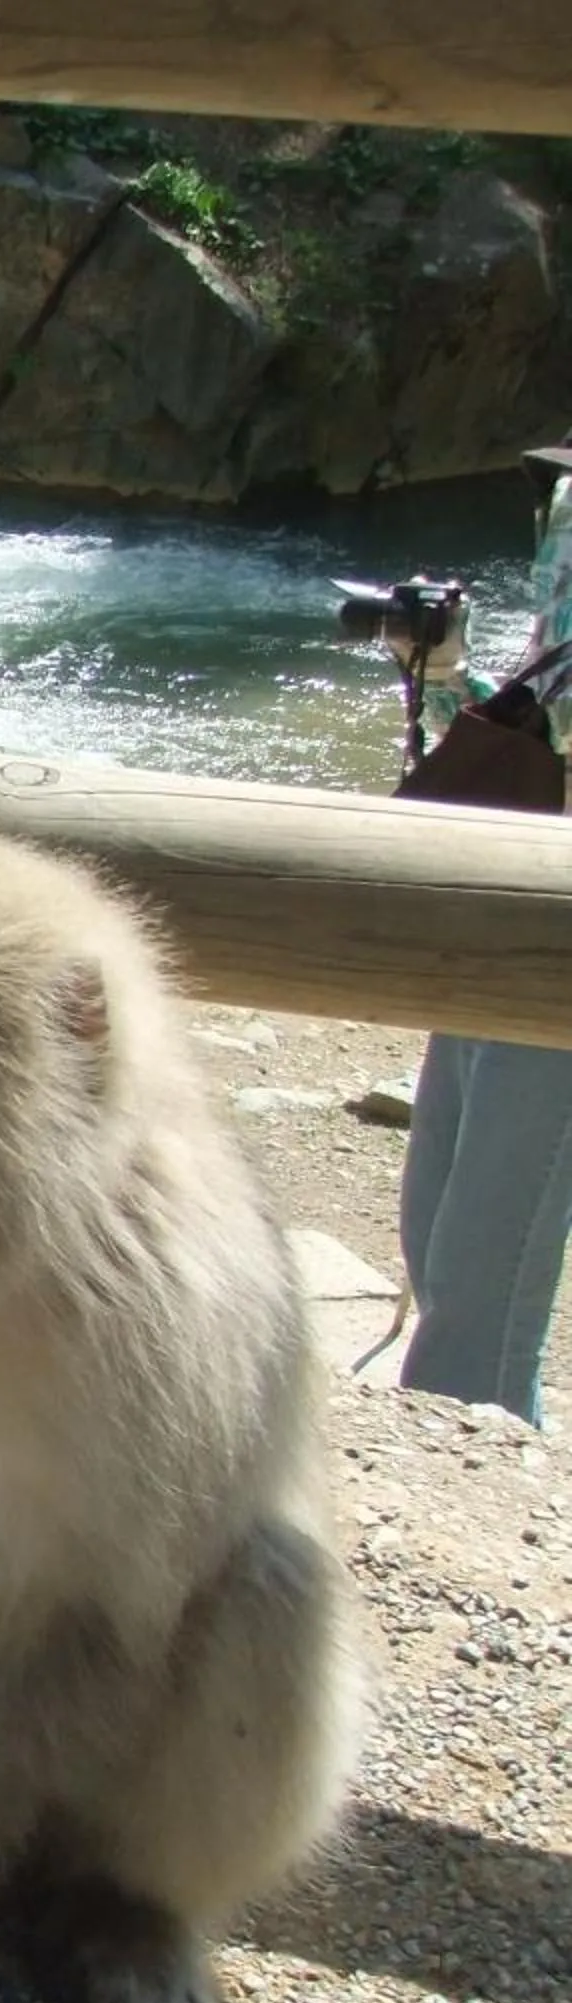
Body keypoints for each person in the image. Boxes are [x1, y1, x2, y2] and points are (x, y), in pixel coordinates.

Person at [396, 439, 572, 1429]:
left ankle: (473, 1515)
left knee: (479, 1292)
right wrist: (446, 670)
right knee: (436, 1232)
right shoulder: (567, 502)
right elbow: (531, 722)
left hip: (557, 952)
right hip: (507, 900)